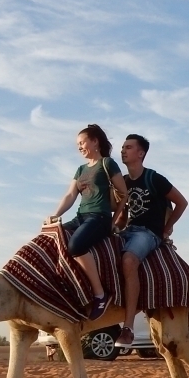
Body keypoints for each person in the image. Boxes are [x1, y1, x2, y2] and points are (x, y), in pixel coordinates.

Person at [114, 134, 188, 348]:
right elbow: (122, 215)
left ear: (140, 153)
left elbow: (181, 202)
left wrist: (164, 230)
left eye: (128, 147)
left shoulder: (154, 179)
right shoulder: (124, 182)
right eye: (122, 147)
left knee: (129, 261)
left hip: (147, 233)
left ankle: (127, 328)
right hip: (128, 230)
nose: (123, 151)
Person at [47, 125, 128, 320]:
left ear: (95, 142)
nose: (79, 147)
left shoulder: (107, 164)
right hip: (80, 217)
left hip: (99, 217)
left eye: (82, 142)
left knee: (76, 245)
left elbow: (124, 194)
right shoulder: (80, 169)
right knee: (51, 239)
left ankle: (100, 295)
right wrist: (55, 215)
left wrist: (114, 221)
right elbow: (70, 195)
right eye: (78, 144)